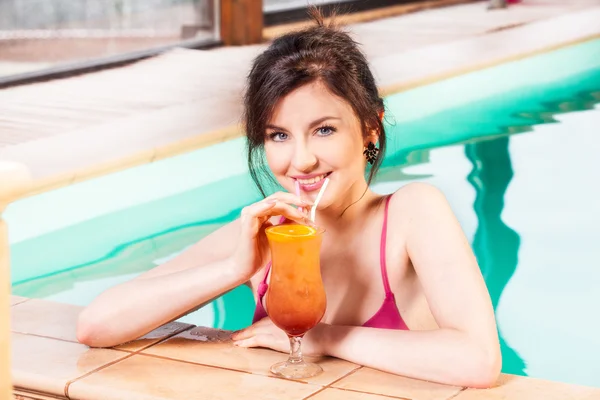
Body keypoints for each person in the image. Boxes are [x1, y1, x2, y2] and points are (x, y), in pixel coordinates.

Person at [77, 8, 501, 388]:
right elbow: (96, 326)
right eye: (279, 135)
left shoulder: (412, 213)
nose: (302, 160)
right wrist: (234, 267)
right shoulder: (264, 235)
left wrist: (326, 339)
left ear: (371, 126)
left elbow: (478, 360)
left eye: (324, 130)